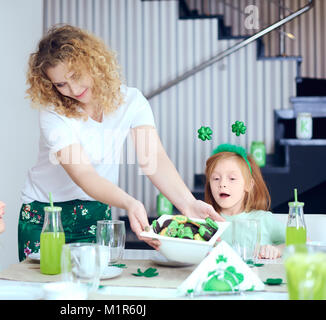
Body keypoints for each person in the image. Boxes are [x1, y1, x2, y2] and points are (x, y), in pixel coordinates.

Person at [19, 24, 223, 261]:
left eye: (75, 76)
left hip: (96, 210)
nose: (72, 89)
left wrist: (188, 204)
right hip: (46, 217)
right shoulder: (53, 113)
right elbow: (84, 173)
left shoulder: (131, 101)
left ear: (92, 62)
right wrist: (129, 202)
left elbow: (153, 159)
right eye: (60, 84)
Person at [204, 144, 285, 259]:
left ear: (248, 184)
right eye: (216, 178)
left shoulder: (264, 219)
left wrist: (277, 250)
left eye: (232, 178)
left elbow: (301, 242)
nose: (222, 184)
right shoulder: (205, 222)